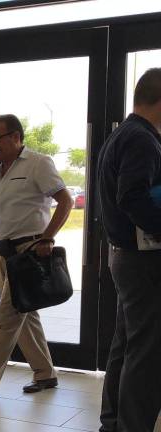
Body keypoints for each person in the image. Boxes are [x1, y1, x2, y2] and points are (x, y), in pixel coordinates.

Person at [0, 113, 73, 397]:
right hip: (4, 252)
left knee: (9, 314)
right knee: (25, 312)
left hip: (29, 250)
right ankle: (46, 374)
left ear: (16, 137)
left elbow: (66, 201)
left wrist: (48, 237)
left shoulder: (38, 163)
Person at [96, 68, 161, 432]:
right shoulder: (142, 139)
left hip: (125, 256)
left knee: (126, 345)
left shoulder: (122, 134)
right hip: (142, 261)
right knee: (147, 353)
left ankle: (113, 424)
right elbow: (132, 197)